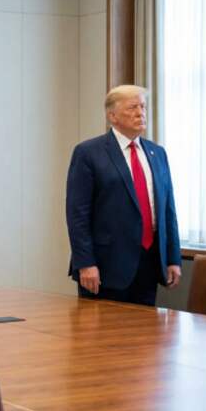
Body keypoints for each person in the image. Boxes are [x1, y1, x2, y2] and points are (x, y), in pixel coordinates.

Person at [66, 85, 181, 306]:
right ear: (112, 116)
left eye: (143, 107)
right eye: (132, 107)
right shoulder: (89, 153)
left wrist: (173, 258)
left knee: (145, 328)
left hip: (149, 264)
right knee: (105, 328)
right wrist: (85, 263)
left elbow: (169, 210)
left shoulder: (157, 153)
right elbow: (77, 215)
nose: (140, 113)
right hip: (105, 267)